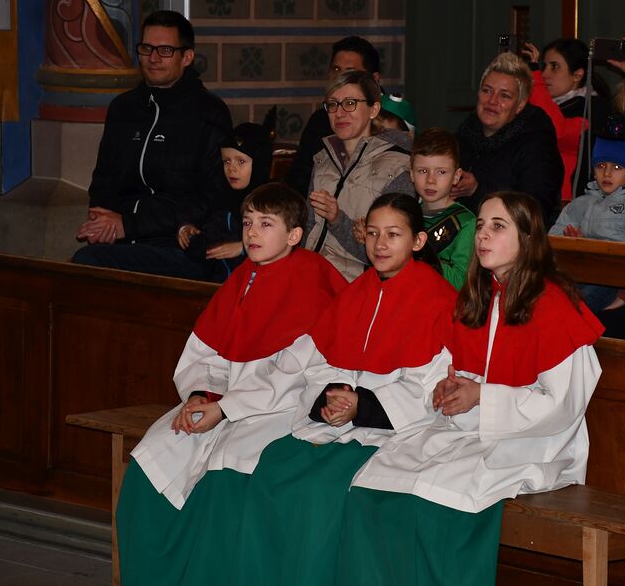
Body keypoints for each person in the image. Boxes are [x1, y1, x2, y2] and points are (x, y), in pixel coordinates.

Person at [336, 191, 604, 585]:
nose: (482, 235)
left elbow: (563, 403)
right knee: (375, 480)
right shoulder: (480, 296)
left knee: (435, 496)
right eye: (480, 226)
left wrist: (482, 396)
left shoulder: (554, 304)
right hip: (471, 431)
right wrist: (450, 388)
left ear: (527, 237)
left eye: (498, 226)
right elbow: (466, 368)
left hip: (533, 442)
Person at [207, 193, 457, 585]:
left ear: (418, 241)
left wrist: (362, 405)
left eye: (393, 234)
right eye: (372, 233)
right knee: (272, 472)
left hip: (390, 429)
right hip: (338, 422)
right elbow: (317, 360)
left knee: (320, 493)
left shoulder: (440, 300)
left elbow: (430, 386)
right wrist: (334, 394)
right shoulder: (355, 293)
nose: (380, 244)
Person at [115, 183, 347, 584]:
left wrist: (224, 409)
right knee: (152, 458)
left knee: (226, 472)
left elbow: (292, 376)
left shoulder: (312, 281)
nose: (252, 232)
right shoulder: (244, 277)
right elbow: (207, 354)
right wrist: (200, 396)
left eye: (265, 224)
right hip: (223, 402)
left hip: (278, 411)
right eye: (247, 222)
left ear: (294, 235)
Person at [72, 10, 233, 280]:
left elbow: (211, 198)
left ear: (187, 57)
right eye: (146, 48)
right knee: (76, 269)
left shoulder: (209, 113)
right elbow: (104, 179)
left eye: (165, 50)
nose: (153, 58)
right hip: (124, 240)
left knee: (88, 263)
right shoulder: (123, 108)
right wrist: (102, 219)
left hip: (179, 244)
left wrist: (129, 225)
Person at [304, 70, 413, 280]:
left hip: (358, 283)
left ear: (374, 109)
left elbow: (390, 254)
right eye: (333, 104)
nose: (339, 113)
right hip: (312, 276)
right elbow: (309, 230)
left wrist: (337, 219)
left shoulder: (399, 167)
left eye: (350, 103)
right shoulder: (323, 160)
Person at [550, 126, 625, 313]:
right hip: (579, 272)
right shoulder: (582, 203)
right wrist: (573, 244)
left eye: (617, 167)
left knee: (572, 307)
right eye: (601, 166)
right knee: (545, 295)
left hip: (614, 280)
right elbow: (553, 240)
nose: (607, 173)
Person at [453, 52, 564, 226]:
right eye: (487, 90)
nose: (492, 101)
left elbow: (535, 211)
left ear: (520, 105)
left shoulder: (536, 143)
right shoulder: (465, 133)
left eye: (504, 96)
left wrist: (477, 190)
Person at [177, 108, 276, 281]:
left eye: (241, 161)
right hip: (220, 281)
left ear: (259, 164)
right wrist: (191, 233)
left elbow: (281, 243)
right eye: (226, 161)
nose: (232, 168)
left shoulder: (273, 202)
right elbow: (211, 243)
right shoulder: (221, 197)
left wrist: (243, 248)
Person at [285, 36, 382, 196]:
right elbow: (300, 177)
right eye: (336, 70)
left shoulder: (391, 125)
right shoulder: (320, 120)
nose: (340, 78)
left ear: (374, 79)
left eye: (350, 72)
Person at [522, 38, 612, 200]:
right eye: (544, 66)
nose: (545, 74)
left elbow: (557, 132)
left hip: (566, 200)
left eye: (554, 67)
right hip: (536, 193)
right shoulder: (539, 101)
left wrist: (535, 79)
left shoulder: (592, 108)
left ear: (577, 75)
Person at [409, 128, 476, 290]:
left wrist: (418, 255)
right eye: (423, 171)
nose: (430, 180)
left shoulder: (466, 222)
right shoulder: (406, 215)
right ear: (411, 174)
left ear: (456, 176)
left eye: (441, 172)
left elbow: (460, 282)